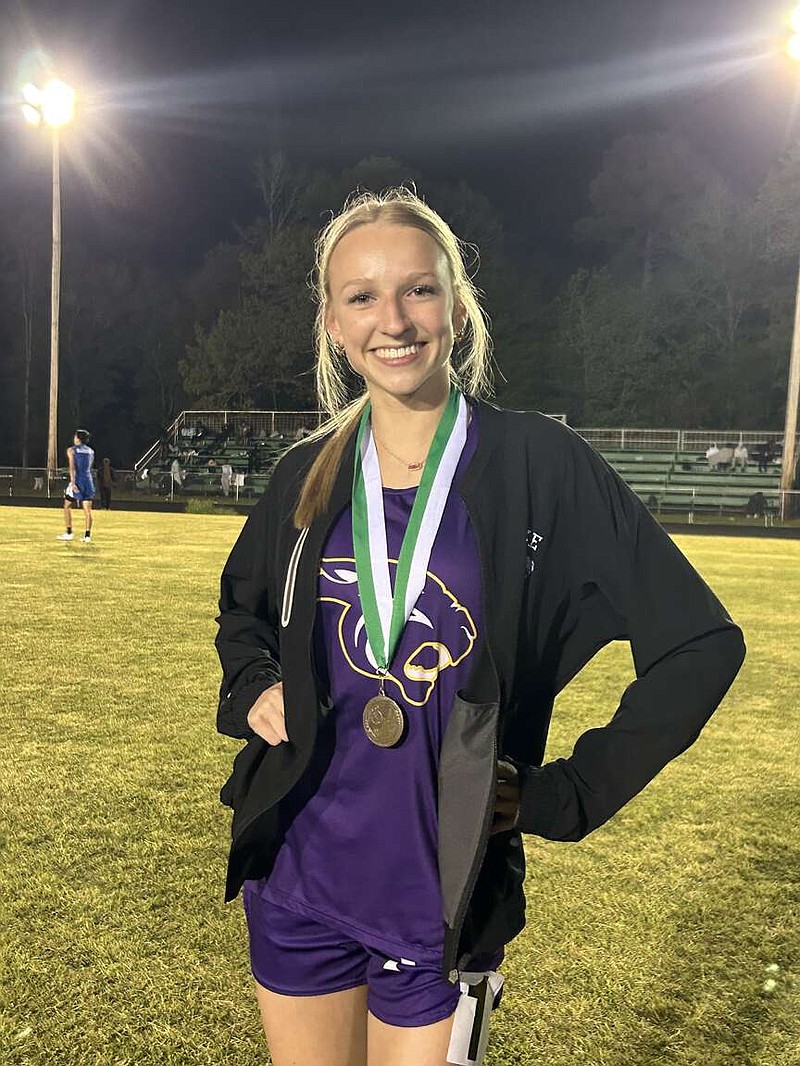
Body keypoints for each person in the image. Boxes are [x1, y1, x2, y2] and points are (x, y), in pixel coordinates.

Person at [214, 188, 746, 1066]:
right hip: (299, 876)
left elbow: (699, 643)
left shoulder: (540, 462)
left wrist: (564, 793)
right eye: (361, 296)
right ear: (333, 323)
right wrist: (254, 687)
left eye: (417, 291)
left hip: (437, 893)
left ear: (456, 309)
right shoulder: (307, 474)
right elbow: (243, 609)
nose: (393, 319)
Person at [58, 429, 95, 542]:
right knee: (87, 510)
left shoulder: (71, 450)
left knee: (67, 506)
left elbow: (72, 467)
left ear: (78, 438)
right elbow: (88, 467)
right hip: (88, 481)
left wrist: (73, 483)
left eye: (75, 437)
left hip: (78, 480)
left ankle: (69, 533)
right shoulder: (91, 451)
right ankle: (87, 536)